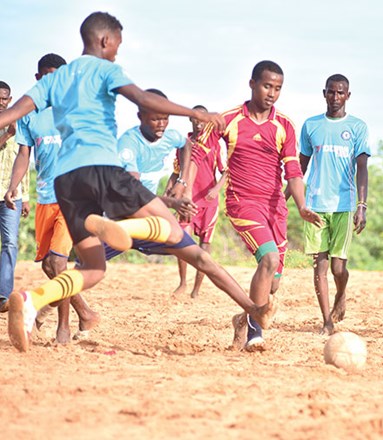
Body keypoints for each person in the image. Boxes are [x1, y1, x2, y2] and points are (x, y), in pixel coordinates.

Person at [0, 11, 275, 352]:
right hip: (102, 169)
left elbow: (9, 116)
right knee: (178, 234)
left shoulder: (52, 80)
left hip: (66, 184)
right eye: (117, 44)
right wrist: (196, 113)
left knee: (94, 270)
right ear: (104, 40)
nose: (118, 51)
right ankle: (128, 230)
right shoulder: (105, 68)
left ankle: (32, 298)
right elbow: (144, 99)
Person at [222, 60, 322, 352]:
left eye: (278, 88)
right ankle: (255, 333)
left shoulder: (285, 126)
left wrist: (302, 206)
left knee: (273, 285)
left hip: (275, 208)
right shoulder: (229, 120)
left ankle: (243, 318)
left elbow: (293, 173)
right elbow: (198, 149)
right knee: (268, 260)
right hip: (243, 204)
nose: (272, 93)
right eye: (267, 86)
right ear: (252, 83)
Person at [4, 54, 99, 344]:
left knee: (58, 264)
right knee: (48, 265)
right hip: (45, 197)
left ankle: (64, 329)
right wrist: (13, 185)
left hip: (74, 197)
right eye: (45, 76)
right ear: (37, 78)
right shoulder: (28, 114)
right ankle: (85, 312)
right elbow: (23, 154)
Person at [298, 74, 370, 335]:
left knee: (339, 267)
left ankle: (342, 294)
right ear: (324, 93)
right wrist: (284, 199)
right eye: (331, 92)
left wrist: (362, 205)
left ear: (348, 96)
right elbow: (300, 167)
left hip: (344, 203)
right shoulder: (311, 126)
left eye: (340, 93)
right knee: (320, 264)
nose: (335, 97)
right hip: (315, 204)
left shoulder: (358, 128)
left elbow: (362, 167)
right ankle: (326, 321)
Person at [171, 105, 226, 298]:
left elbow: (226, 171)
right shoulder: (183, 145)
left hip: (209, 202)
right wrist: (168, 193)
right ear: (191, 120)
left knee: (205, 244)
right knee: (182, 241)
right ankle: (182, 283)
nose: (199, 123)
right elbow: (177, 172)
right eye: (196, 119)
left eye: (204, 120)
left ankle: (196, 289)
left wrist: (216, 189)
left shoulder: (214, 144)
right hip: (187, 201)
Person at [117, 88, 192, 197]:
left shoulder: (170, 137)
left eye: (165, 118)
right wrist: (167, 203)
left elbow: (186, 145)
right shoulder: (128, 142)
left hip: (148, 201)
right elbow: (133, 187)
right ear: (140, 117)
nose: (161, 124)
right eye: (155, 119)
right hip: (122, 202)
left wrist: (182, 181)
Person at [0, 81, 29, 313]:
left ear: (10, 101)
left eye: (5, 99)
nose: (2, 102)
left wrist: (26, 195)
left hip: (12, 196)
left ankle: (2, 295)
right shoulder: (11, 130)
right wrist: (7, 135)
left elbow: (24, 161)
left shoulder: (20, 126)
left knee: (10, 243)